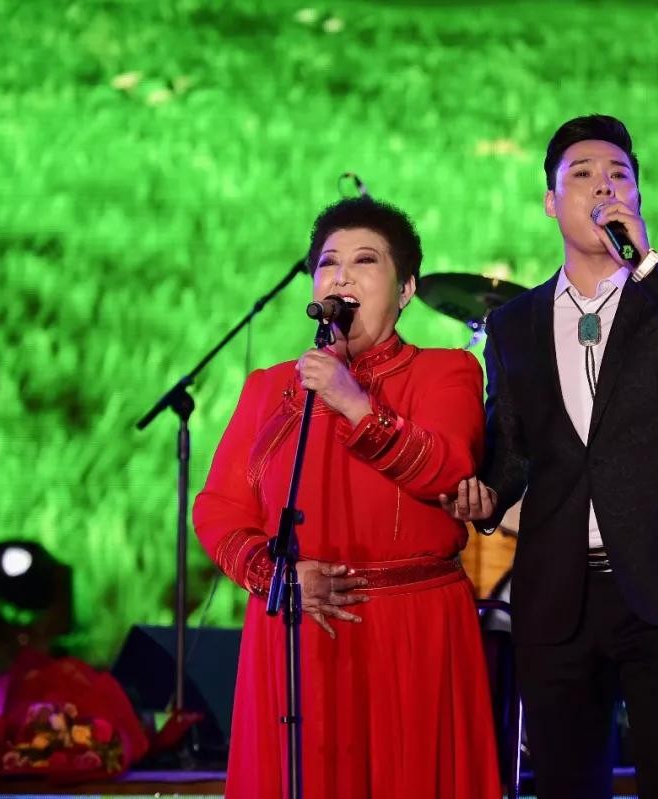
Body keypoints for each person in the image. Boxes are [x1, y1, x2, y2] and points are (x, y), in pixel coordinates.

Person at [441, 115, 658, 799]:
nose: (603, 187)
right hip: (559, 591)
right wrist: (486, 497)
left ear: (638, 196)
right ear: (551, 202)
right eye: (581, 175)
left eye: (619, 175)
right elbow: (513, 447)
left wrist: (647, 265)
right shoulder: (514, 324)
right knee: (565, 783)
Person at [194, 196, 501, 798]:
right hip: (299, 627)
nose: (342, 276)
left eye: (366, 261)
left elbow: (446, 469)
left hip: (410, 632)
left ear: (405, 289)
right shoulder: (270, 388)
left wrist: (353, 403)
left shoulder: (447, 372)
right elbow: (219, 508)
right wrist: (276, 575)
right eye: (328, 263)